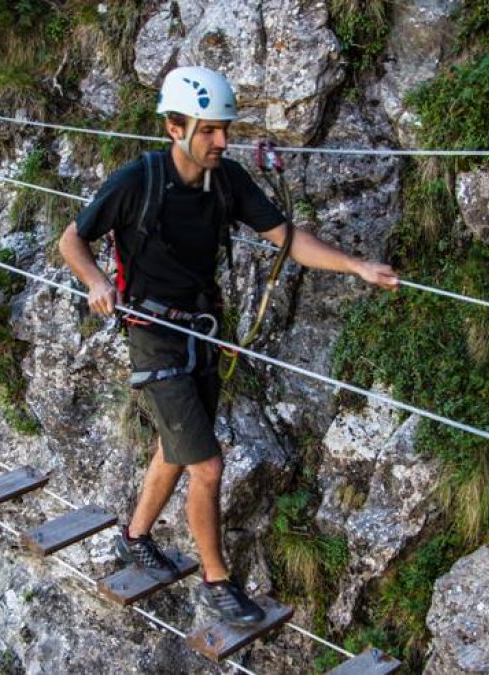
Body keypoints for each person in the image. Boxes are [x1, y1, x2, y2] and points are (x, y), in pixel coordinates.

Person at [59, 65, 398, 626]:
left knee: (177, 448)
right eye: (209, 130)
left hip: (203, 330)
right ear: (174, 127)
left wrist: (356, 266)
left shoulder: (229, 180)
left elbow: (288, 240)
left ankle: (135, 536)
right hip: (152, 336)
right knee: (208, 464)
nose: (222, 141)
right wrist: (96, 282)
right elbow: (72, 239)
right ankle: (218, 583)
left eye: (225, 129)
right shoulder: (136, 181)